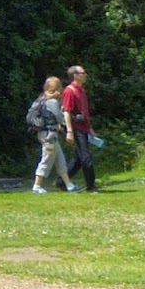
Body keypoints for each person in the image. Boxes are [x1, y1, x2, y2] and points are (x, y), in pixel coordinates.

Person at [28, 75, 78, 194]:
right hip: (50, 135)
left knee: (60, 159)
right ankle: (37, 186)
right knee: (47, 159)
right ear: (58, 88)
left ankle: (69, 185)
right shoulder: (52, 102)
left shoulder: (40, 100)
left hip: (44, 134)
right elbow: (60, 117)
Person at [61, 64, 97, 192]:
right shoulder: (69, 91)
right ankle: (91, 186)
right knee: (86, 156)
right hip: (75, 128)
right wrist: (69, 131)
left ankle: (60, 182)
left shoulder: (81, 90)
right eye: (83, 73)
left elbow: (84, 112)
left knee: (79, 157)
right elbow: (66, 111)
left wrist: (90, 129)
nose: (85, 75)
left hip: (83, 128)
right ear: (75, 76)